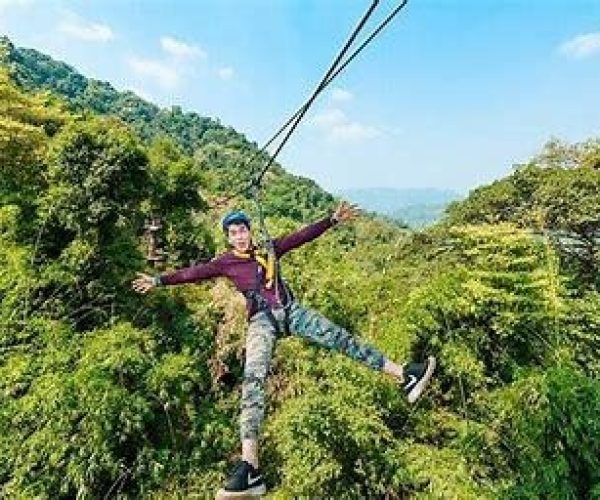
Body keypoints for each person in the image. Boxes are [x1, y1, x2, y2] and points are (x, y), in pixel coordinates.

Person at [132, 201, 436, 498]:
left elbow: (299, 237)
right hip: (261, 321)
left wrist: (331, 220)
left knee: (342, 339)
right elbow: (193, 273)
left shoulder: (268, 250)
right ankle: (250, 466)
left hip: (290, 310)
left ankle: (404, 375)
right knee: (253, 383)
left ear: (249, 231)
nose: (239, 236)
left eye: (242, 230)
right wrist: (158, 280)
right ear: (228, 237)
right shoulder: (225, 262)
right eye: (233, 232)